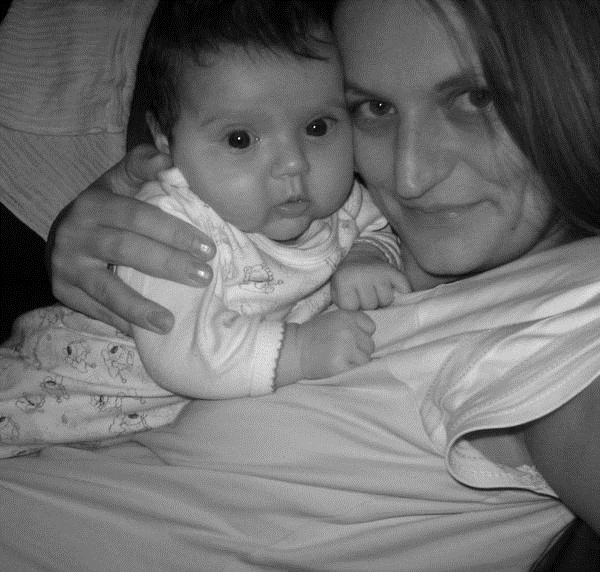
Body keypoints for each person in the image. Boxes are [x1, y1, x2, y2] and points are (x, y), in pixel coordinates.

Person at [1, 0, 599, 570]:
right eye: (374, 108)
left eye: (475, 99)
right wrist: (93, 240)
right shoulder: (305, 212)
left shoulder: (571, 323)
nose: (410, 176)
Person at [0, 0, 406, 454]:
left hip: (127, 435)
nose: (294, 163)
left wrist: (367, 256)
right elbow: (182, 354)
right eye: (240, 139)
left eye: (317, 127)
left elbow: (373, 226)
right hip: (47, 396)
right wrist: (299, 351)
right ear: (164, 140)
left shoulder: (339, 201)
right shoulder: (173, 226)